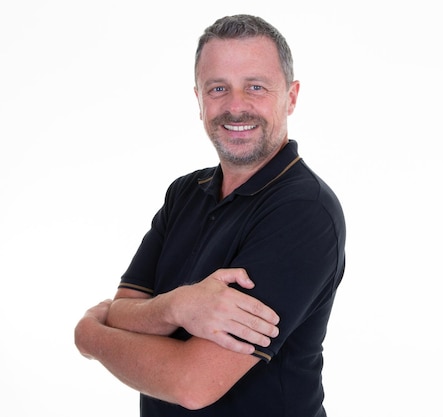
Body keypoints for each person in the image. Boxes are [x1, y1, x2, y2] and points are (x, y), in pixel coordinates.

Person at [74, 14, 346, 417]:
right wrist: (176, 307)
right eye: (218, 88)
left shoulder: (303, 212)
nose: (236, 107)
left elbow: (192, 383)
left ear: (290, 97)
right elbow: (124, 306)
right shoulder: (185, 193)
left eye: (255, 87)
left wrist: (90, 337)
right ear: (199, 99)